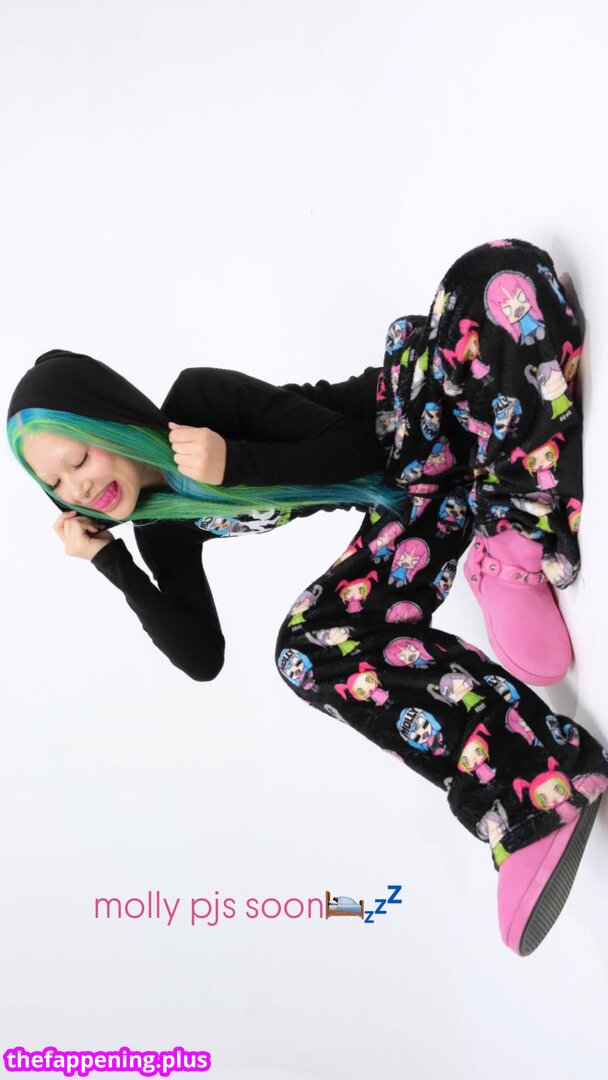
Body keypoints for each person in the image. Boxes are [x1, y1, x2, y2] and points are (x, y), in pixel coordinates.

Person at [8, 238, 606, 957]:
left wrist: (234, 461)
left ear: (110, 421)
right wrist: (113, 561)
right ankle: (535, 790)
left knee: (491, 276)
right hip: (413, 505)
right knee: (305, 650)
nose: (77, 486)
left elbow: (354, 449)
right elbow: (202, 656)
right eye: (57, 485)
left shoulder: (198, 400)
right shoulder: (162, 530)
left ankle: (513, 542)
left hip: (410, 416)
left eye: (77, 458)